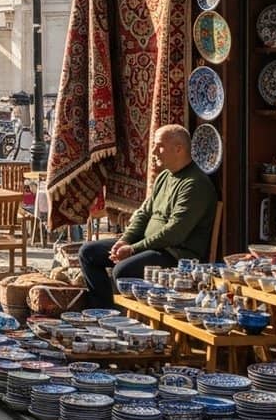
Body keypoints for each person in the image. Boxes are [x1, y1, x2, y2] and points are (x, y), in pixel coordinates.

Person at [79, 125, 217, 309]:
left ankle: (125, 317)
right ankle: (103, 310)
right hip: (149, 245)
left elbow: (174, 233)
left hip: (175, 253)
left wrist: (133, 250)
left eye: (159, 146)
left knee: (123, 271)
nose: (153, 151)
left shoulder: (195, 184)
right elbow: (143, 213)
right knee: (88, 253)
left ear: (179, 149)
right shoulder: (164, 177)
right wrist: (125, 240)